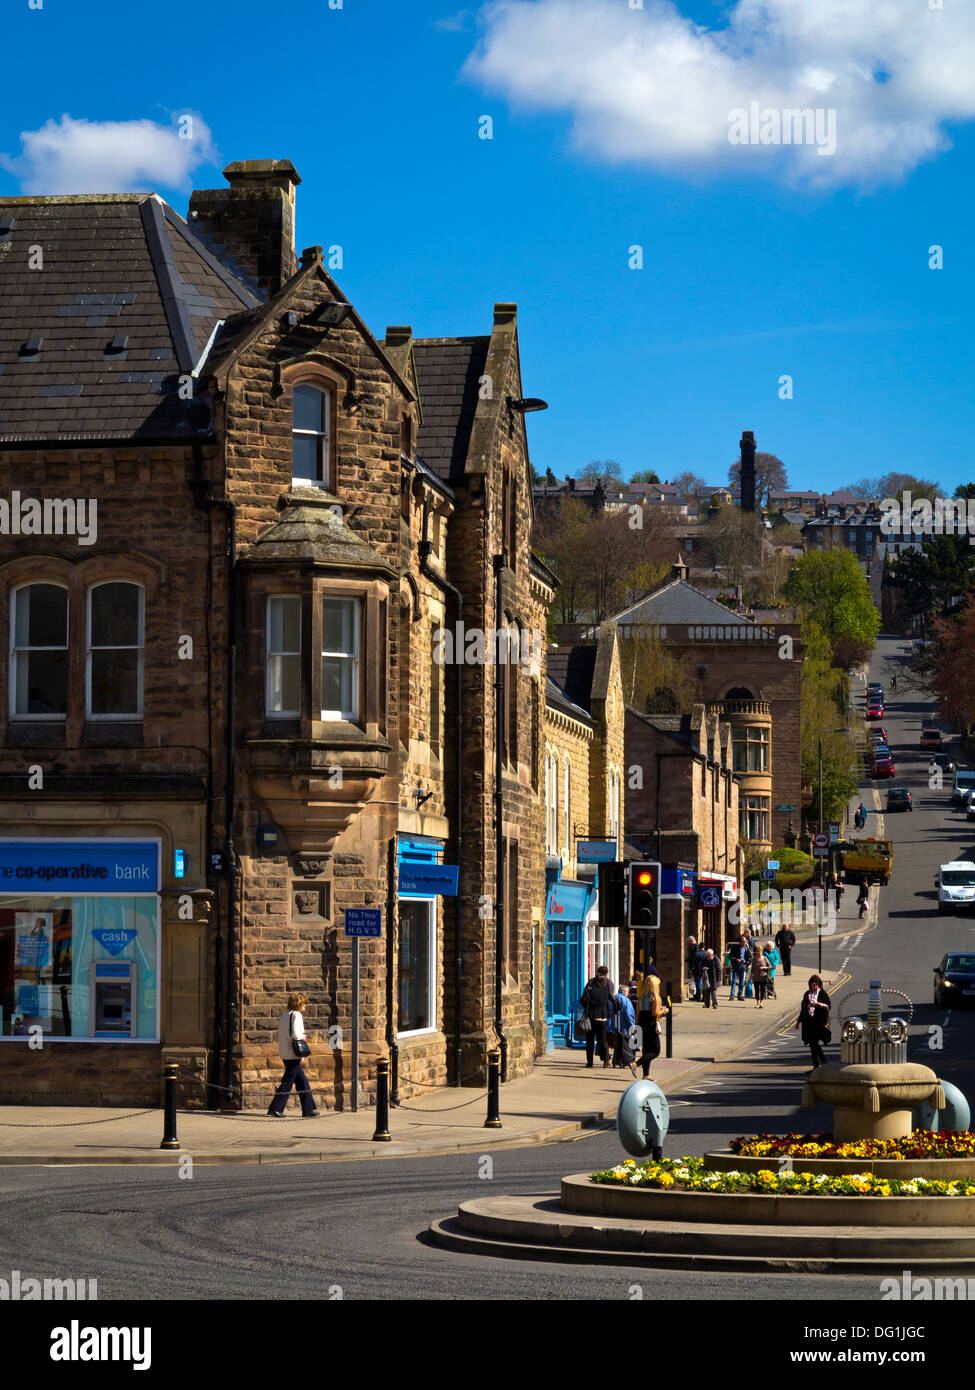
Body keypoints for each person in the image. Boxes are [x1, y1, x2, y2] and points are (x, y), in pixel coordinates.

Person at [268, 992, 320, 1118]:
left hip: (285, 1052)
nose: (305, 1007)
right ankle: (275, 1108)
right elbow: (296, 1035)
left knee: (302, 1081)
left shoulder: (285, 1015)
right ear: (299, 1004)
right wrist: (304, 1036)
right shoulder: (296, 1015)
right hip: (293, 1054)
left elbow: (279, 1035)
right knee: (287, 1082)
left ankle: (308, 1109)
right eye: (304, 1004)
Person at [795, 974, 832, 1070]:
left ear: (819, 983)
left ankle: (819, 1064)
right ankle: (819, 1064)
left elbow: (828, 1006)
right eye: (812, 982)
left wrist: (818, 1004)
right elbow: (803, 1009)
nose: (814, 984)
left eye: (816, 982)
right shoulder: (807, 993)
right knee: (813, 1044)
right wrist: (798, 1021)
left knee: (814, 1044)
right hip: (809, 1023)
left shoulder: (822, 993)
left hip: (819, 1022)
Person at [581, 965, 614, 1069]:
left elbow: (583, 999)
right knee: (603, 1040)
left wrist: (587, 1007)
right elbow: (611, 998)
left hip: (591, 1017)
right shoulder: (609, 984)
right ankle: (606, 1059)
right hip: (603, 1016)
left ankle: (590, 1062)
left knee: (590, 1041)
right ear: (606, 974)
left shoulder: (590, 983)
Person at [636, 974, 668, 1078]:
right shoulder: (654, 998)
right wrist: (664, 1010)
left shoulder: (640, 997)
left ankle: (646, 1075)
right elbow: (655, 1013)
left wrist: (636, 1027)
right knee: (655, 1051)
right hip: (650, 1024)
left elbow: (637, 1013)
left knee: (646, 1050)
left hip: (642, 1023)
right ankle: (636, 1064)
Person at [611, 982, 638, 1075]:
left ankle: (615, 1061)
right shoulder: (626, 1000)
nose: (628, 994)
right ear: (625, 992)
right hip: (624, 1027)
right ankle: (624, 1062)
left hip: (614, 1026)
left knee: (617, 1044)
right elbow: (629, 1015)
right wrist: (633, 1027)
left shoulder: (613, 998)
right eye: (628, 992)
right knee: (625, 1045)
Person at [728, 934, 752, 1000]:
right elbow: (731, 956)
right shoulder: (735, 947)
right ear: (740, 942)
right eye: (743, 942)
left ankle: (740, 995)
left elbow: (750, 958)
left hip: (743, 966)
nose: (744, 943)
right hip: (736, 965)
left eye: (745, 942)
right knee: (734, 981)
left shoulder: (747, 948)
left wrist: (745, 964)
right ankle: (732, 996)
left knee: (741, 982)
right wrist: (736, 960)